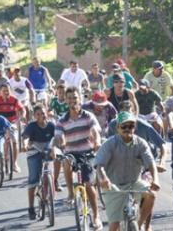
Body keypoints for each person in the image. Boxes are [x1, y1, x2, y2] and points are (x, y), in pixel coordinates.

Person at [95, 111, 160, 231]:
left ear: (134, 128)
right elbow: (99, 165)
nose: (127, 129)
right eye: (123, 126)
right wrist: (103, 178)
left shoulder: (141, 143)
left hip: (134, 183)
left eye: (130, 126)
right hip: (113, 186)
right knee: (114, 226)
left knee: (151, 195)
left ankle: (139, 225)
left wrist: (155, 179)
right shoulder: (110, 144)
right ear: (117, 128)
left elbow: (151, 163)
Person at [55, 86, 102, 230]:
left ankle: (96, 215)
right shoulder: (62, 120)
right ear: (66, 101)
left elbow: (95, 130)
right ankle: (70, 193)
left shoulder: (88, 115)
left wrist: (97, 141)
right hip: (72, 153)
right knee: (66, 161)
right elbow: (59, 134)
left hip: (87, 153)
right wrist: (61, 141)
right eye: (69, 98)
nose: (72, 101)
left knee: (88, 185)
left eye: (74, 98)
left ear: (79, 99)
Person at [107, 101, 167, 172]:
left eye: (128, 114)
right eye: (123, 114)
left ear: (134, 113)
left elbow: (162, 144)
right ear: (118, 114)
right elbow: (109, 147)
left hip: (145, 158)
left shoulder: (144, 126)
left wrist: (162, 163)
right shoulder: (112, 125)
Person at [22, 104, 56, 220]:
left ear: (46, 112)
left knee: (47, 174)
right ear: (35, 116)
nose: (41, 115)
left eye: (43, 113)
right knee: (33, 179)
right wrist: (25, 144)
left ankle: (47, 196)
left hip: (47, 151)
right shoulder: (32, 126)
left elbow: (57, 137)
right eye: (38, 114)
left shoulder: (51, 125)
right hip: (34, 152)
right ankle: (31, 207)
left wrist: (56, 147)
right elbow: (26, 137)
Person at [0, 83, 24, 172]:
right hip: (0, 124)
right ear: (0, 92)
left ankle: (14, 163)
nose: (6, 92)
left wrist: (22, 116)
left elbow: (21, 109)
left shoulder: (14, 100)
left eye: (8, 91)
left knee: (15, 141)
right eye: (4, 91)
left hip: (12, 123)